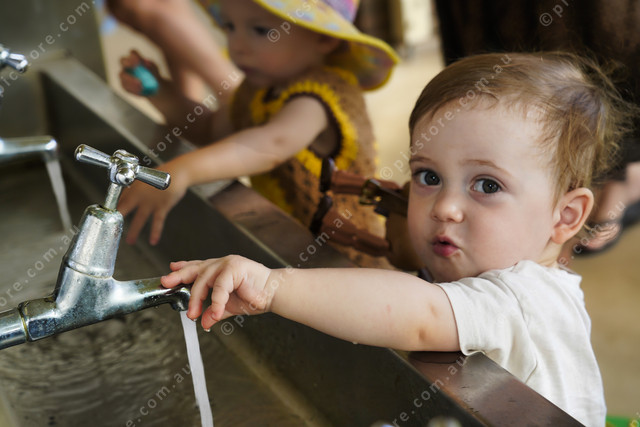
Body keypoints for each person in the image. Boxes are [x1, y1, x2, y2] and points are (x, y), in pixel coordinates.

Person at [161, 52, 637, 426]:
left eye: (487, 185)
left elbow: (421, 315)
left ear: (565, 216)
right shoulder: (494, 263)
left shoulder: (525, 299)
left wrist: (272, 286)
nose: (444, 207)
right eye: (428, 176)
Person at [115, 0, 399, 267]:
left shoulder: (321, 97)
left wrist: (182, 171)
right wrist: (161, 93)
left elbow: (270, 145)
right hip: (290, 244)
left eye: (261, 30)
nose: (236, 46)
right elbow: (210, 130)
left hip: (347, 259)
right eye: (230, 26)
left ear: (323, 38)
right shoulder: (257, 91)